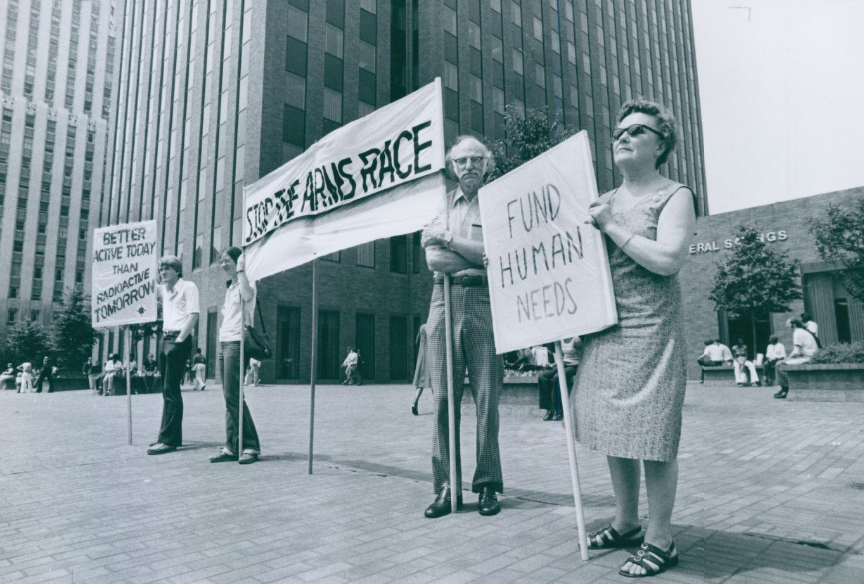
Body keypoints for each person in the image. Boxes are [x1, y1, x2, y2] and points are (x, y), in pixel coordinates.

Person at [569, 100, 696, 578]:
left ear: (661, 144)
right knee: (613, 430)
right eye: (618, 131)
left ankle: (661, 538)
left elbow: (668, 259)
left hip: (650, 330)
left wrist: (610, 226)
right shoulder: (602, 198)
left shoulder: (675, 195)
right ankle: (626, 521)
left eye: (637, 131)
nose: (622, 137)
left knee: (653, 434)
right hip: (605, 331)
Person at [422, 135, 504, 519]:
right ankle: (445, 486)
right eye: (461, 161)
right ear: (451, 166)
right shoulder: (438, 204)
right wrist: (475, 255)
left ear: (487, 164)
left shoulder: (501, 203)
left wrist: (454, 241)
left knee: (487, 397)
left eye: (475, 159)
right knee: (442, 400)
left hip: (486, 300)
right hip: (443, 299)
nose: (468, 166)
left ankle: (487, 485)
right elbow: (434, 260)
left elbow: (498, 254)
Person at [209, 247, 261, 465]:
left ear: (238, 262)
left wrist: (241, 271)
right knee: (228, 396)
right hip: (225, 340)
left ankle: (250, 445)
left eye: (227, 260)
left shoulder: (246, 281)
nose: (223, 265)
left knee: (233, 395)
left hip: (237, 342)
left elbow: (248, 296)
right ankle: (232, 445)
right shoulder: (229, 287)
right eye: (221, 261)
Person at [147, 255, 200, 455]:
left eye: (167, 269)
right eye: (161, 269)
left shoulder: (188, 287)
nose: (162, 272)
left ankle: (169, 441)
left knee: (171, 389)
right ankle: (166, 436)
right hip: (165, 338)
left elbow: (193, 314)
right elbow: (147, 285)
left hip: (178, 339)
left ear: (177, 270)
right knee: (166, 389)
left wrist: (180, 340)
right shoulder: (163, 289)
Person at [774, 319, 819, 399]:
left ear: (793, 324)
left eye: (788, 324)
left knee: (779, 365)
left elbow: (796, 351)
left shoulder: (797, 333)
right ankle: (786, 388)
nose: (786, 326)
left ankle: (786, 388)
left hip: (808, 358)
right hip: (809, 356)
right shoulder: (802, 331)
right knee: (782, 363)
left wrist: (785, 359)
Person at [539, 337, 582, 421]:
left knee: (558, 377)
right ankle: (549, 410)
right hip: (564, 363)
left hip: (574, 365)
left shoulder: (576, 340)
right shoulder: (561, 339)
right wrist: (553, 365)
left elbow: (583, 356)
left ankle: (558, 411)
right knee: (542, 377)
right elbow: (561, 357)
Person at [412, 324, 432, 416]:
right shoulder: (432, 326)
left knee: (420, 383)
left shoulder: (421, 327)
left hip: (421, 356)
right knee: (434, 383)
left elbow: (416, 342)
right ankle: (438, 405)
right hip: (430, 357)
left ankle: (414, 401)